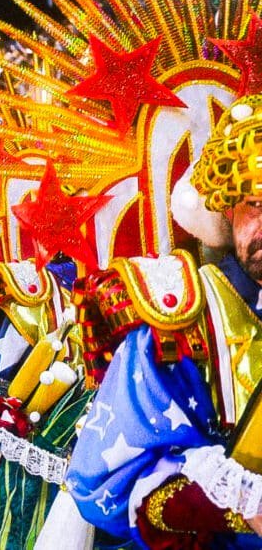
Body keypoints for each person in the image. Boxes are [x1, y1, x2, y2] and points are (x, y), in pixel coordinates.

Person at [68, 95, 262, 547]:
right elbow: (110, 481)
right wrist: (241, 502)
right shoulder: (176, 317)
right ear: (227, 207)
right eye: (256, 202)